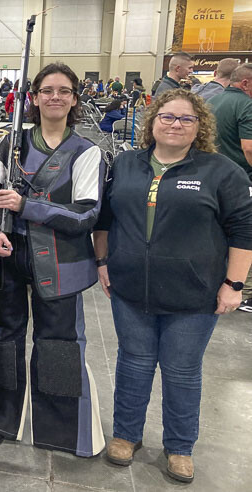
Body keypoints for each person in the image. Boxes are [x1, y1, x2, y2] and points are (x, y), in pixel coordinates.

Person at [93, 89, 252, 482]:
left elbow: (244, 231)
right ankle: (126, 435)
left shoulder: (220, 171)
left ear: (200, 126)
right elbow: (104, 219)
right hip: (131, 289)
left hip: (193, 293)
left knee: (182, 371)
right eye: (167, 117)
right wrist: (102, 262)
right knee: (133, 362)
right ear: (152, 121)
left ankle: (180, 446)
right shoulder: (127, 164)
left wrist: (234, 283)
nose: (175, 124)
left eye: (186, 119)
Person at [0, 62, 106, 458]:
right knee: (2, 339)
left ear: (74, 99)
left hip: (62, 263)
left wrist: (27, 205)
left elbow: (86, 214)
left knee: (59, 345)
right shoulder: (8, 143)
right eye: (47, 90)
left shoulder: (87, 152)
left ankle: (60, 429)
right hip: (8, 257)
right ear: (33, 97)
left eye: (64, 91)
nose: (55, 97)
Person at [208, 63, 252, 312]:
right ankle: (243, 290)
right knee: (243, 233)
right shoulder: (247, 105)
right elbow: (249, 147)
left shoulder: (213, 101)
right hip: (241, 180)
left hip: (211, 178)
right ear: (245, 83)